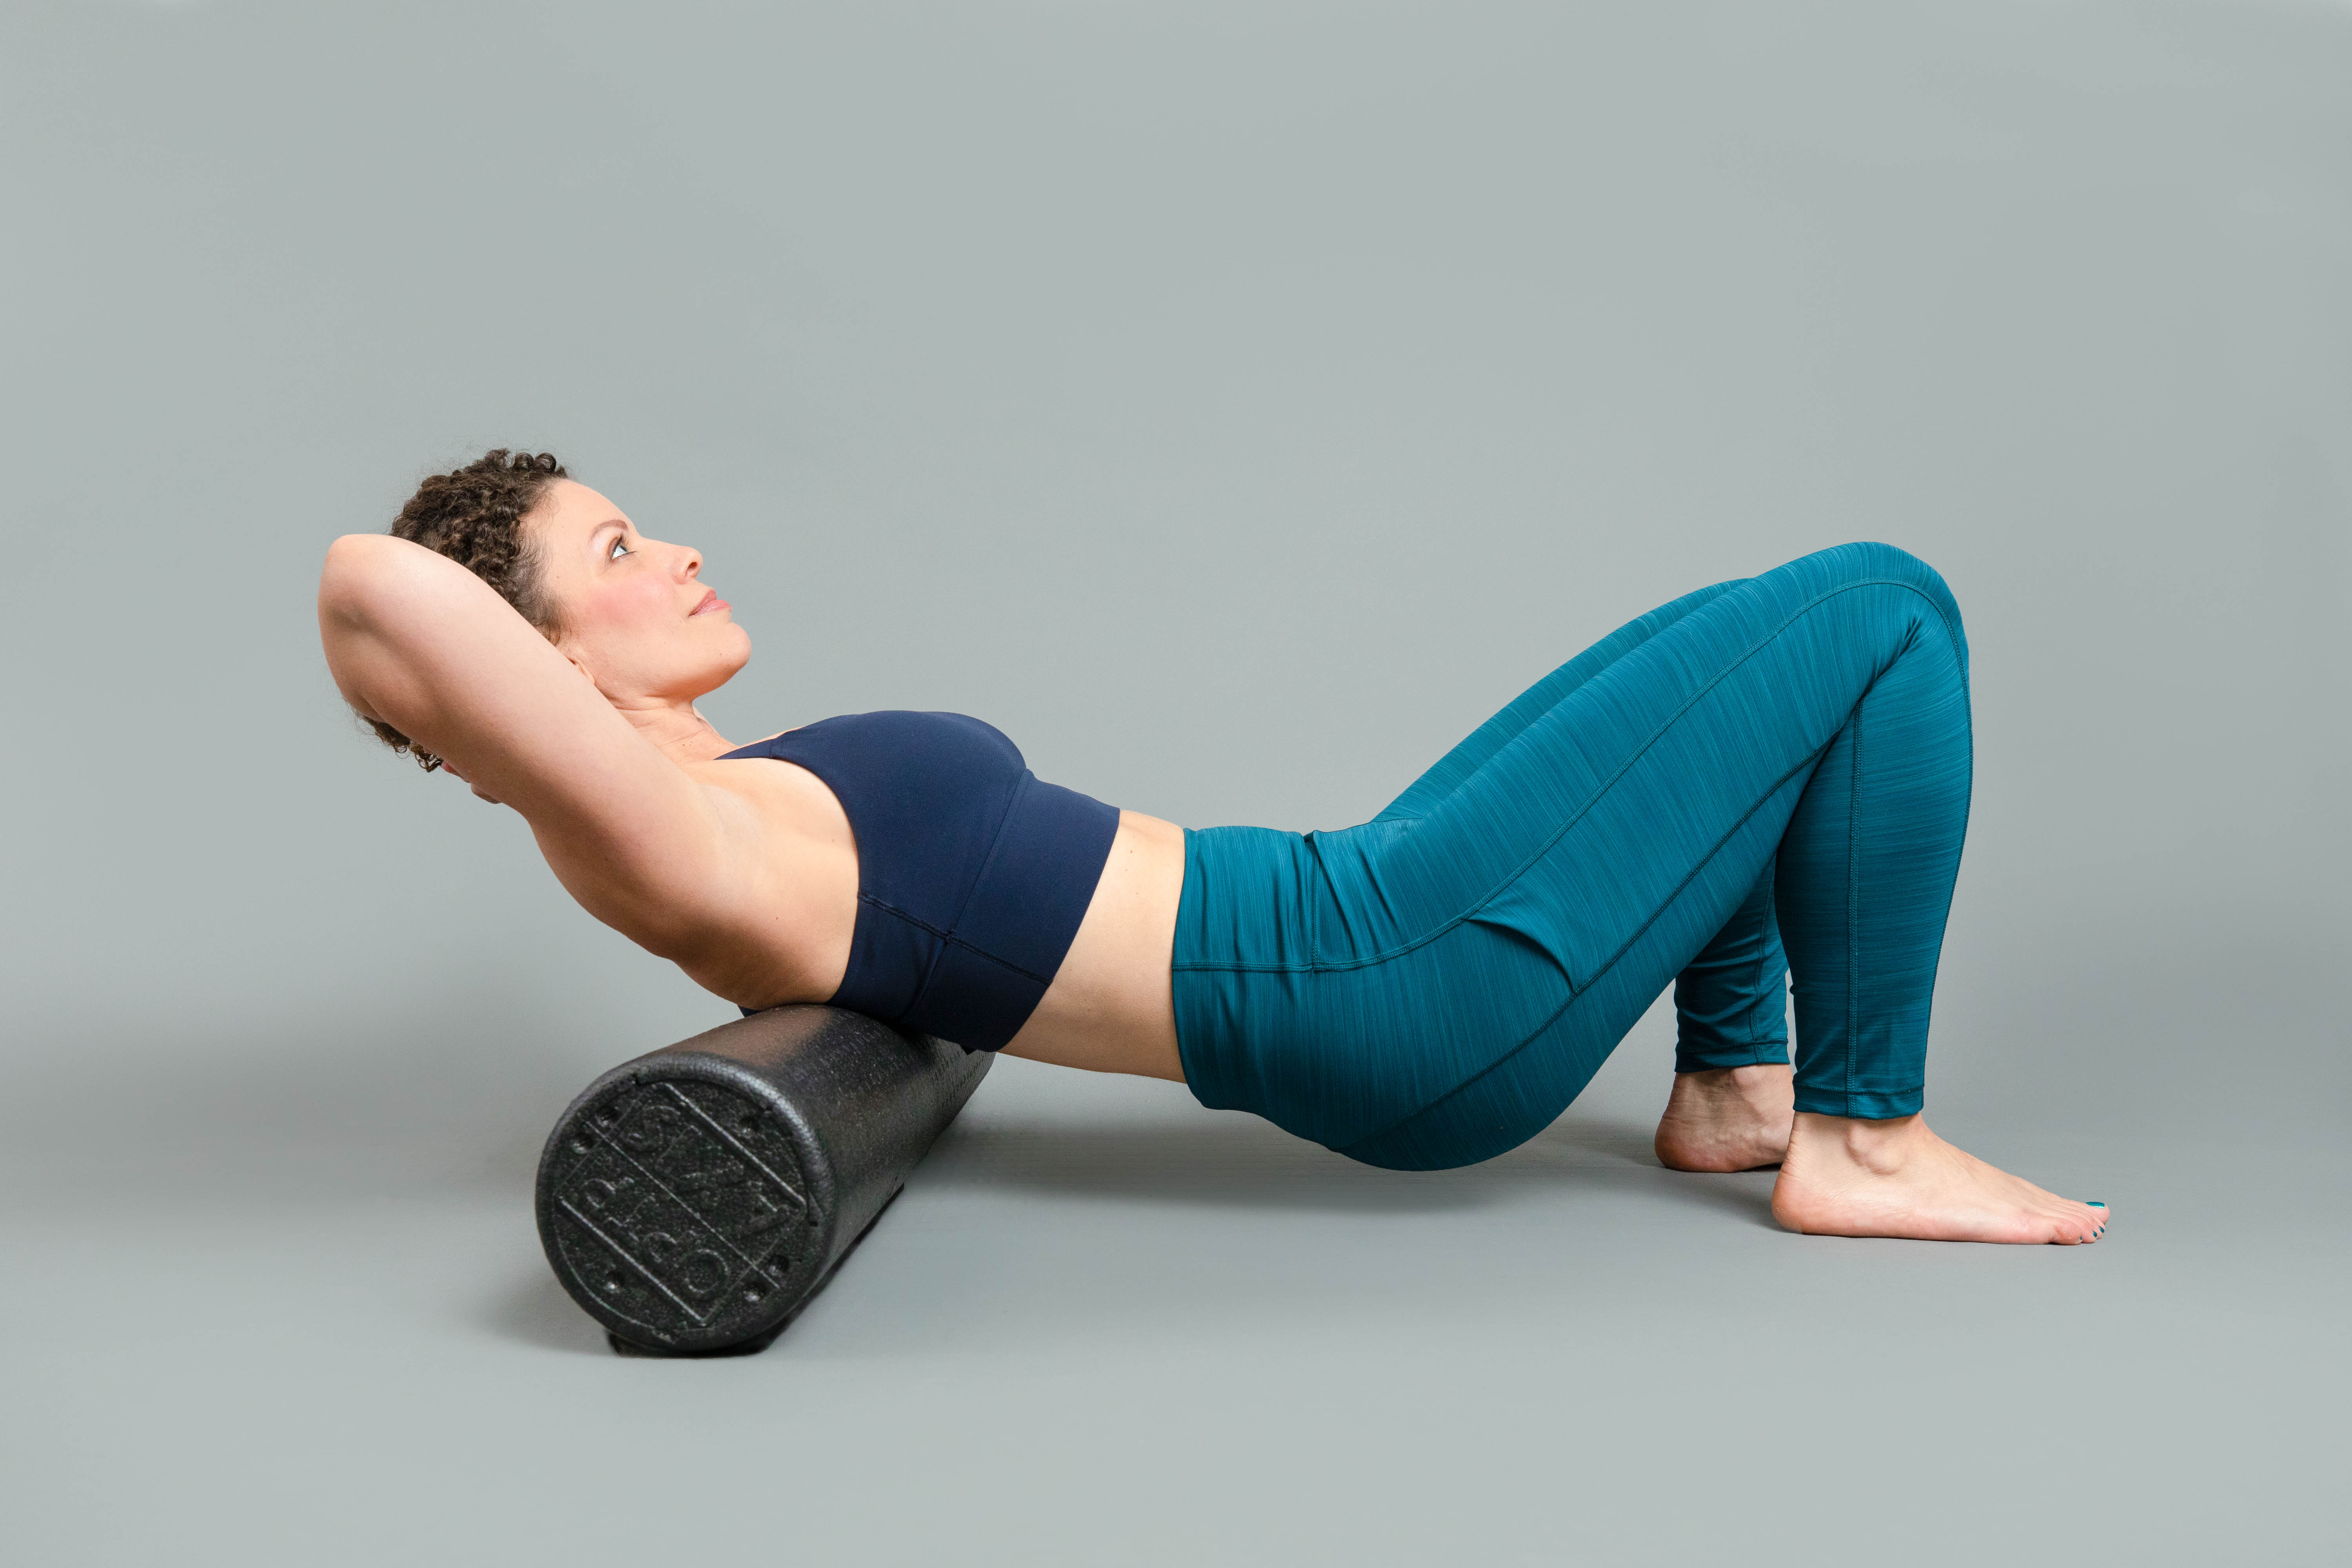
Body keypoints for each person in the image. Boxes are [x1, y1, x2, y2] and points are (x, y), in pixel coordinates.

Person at [320, 449, 2108, 1245]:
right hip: (1393, 980)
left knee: (1738, 643)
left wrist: (558, 612)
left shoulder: (736, 785)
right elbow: (370, 588)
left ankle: (1741, 1088)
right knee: (1882, 610)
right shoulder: (670, 839)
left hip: (1361, 914)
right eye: (618, 549)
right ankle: (1866, 1142)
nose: (680, 552)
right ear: (538, 663)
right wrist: (503, 671)